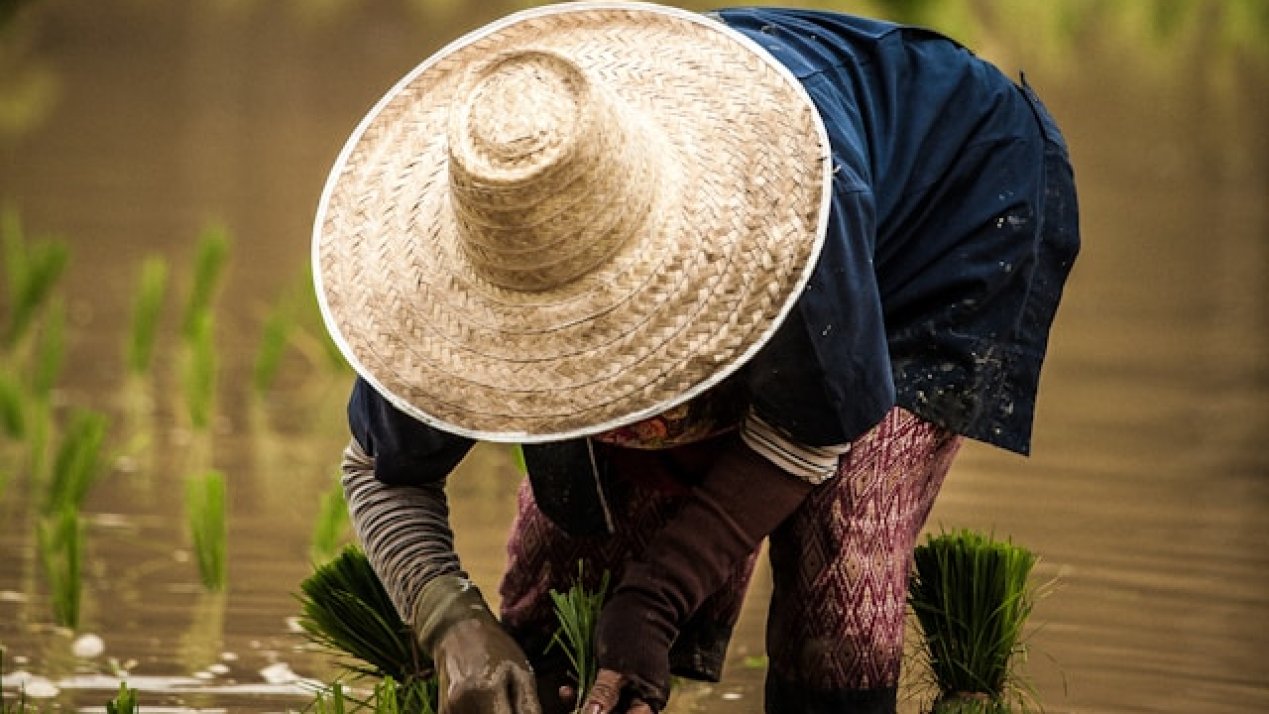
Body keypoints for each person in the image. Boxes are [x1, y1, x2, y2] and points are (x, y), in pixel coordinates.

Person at [311, 3, 1079, 713]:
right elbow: (380, 471)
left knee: (837, 580)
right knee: (575, 575)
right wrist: (453, 623)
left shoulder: (781, 221)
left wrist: (657, 599)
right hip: (755, 192)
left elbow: (815, 427)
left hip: (942, 208)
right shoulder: (446, 276)